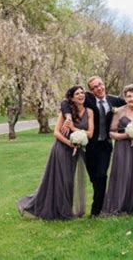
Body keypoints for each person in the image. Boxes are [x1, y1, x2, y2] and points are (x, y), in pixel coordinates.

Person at [18, 86, 94, 220]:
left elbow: (90, 133)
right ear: (72, 97)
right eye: (77, 93)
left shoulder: (89, 112)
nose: (81, 95)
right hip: (63, 148)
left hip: (77, 150)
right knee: (62, 180)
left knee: (69, 181)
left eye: (82, 92)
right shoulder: (66, 111)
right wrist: (71, 143)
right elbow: (56, 133)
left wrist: (73, 129)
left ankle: (65, 210)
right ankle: (60, 212)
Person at [61, 76, 126, 217]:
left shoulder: (115, 100)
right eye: (95, 87)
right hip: (90, 147)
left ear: (104, 84)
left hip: (105, 146)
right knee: (94, 178)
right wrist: (68, 116)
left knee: (102, 176)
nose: (99, 88)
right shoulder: (88, 99)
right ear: (91, 90)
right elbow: (65, 102)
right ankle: (101, 205)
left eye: (100, 84)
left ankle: (96, 211)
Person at [101, 84, 133, 215]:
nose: (132, 98)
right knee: (121, 174)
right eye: (129, 96)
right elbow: (111, 132)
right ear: (125, 97)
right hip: (122, 147)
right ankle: (118, 205)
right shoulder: (118, 111)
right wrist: (126, 135)